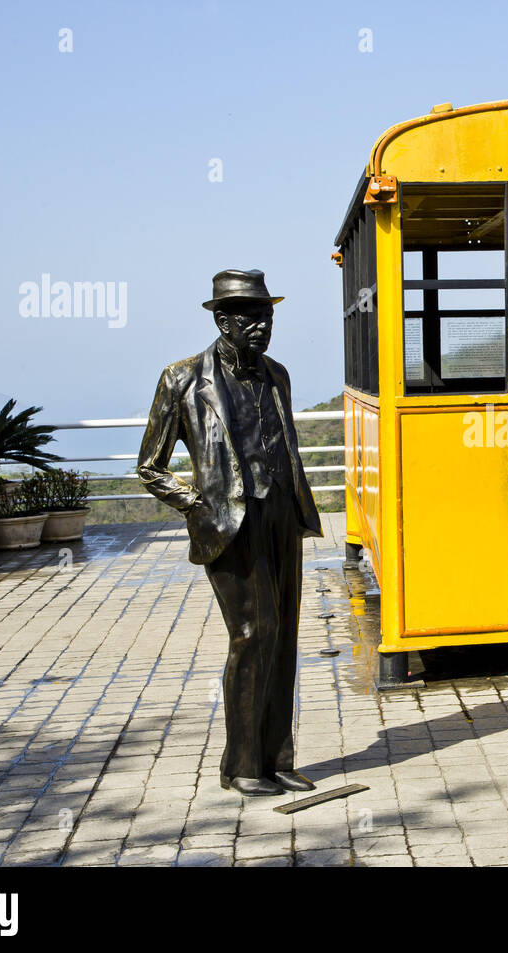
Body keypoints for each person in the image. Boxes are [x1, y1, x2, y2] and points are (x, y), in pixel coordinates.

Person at [138, 269, 323, 796]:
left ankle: (277, 758)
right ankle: (241, 766)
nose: (261, 325)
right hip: (229, 526)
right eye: (248, 315)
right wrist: (196, 504)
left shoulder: (277, 375)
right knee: (252, 635)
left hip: (281, 517)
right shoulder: (181, 379)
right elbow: (150, 465)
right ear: (223, 320)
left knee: (283, 637)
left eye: (266, 314)